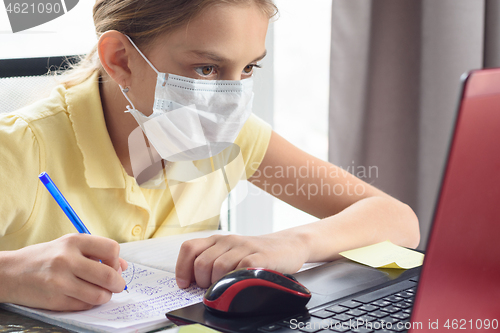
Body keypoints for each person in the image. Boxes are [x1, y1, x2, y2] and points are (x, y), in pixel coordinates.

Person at [0, 0, 420, 311]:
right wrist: (9, 274)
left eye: (249, 68)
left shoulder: (235, 135)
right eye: (207, 69)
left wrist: (293, 243)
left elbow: (396, 219)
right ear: (121, 60)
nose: (231, 99)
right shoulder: (20, 149)